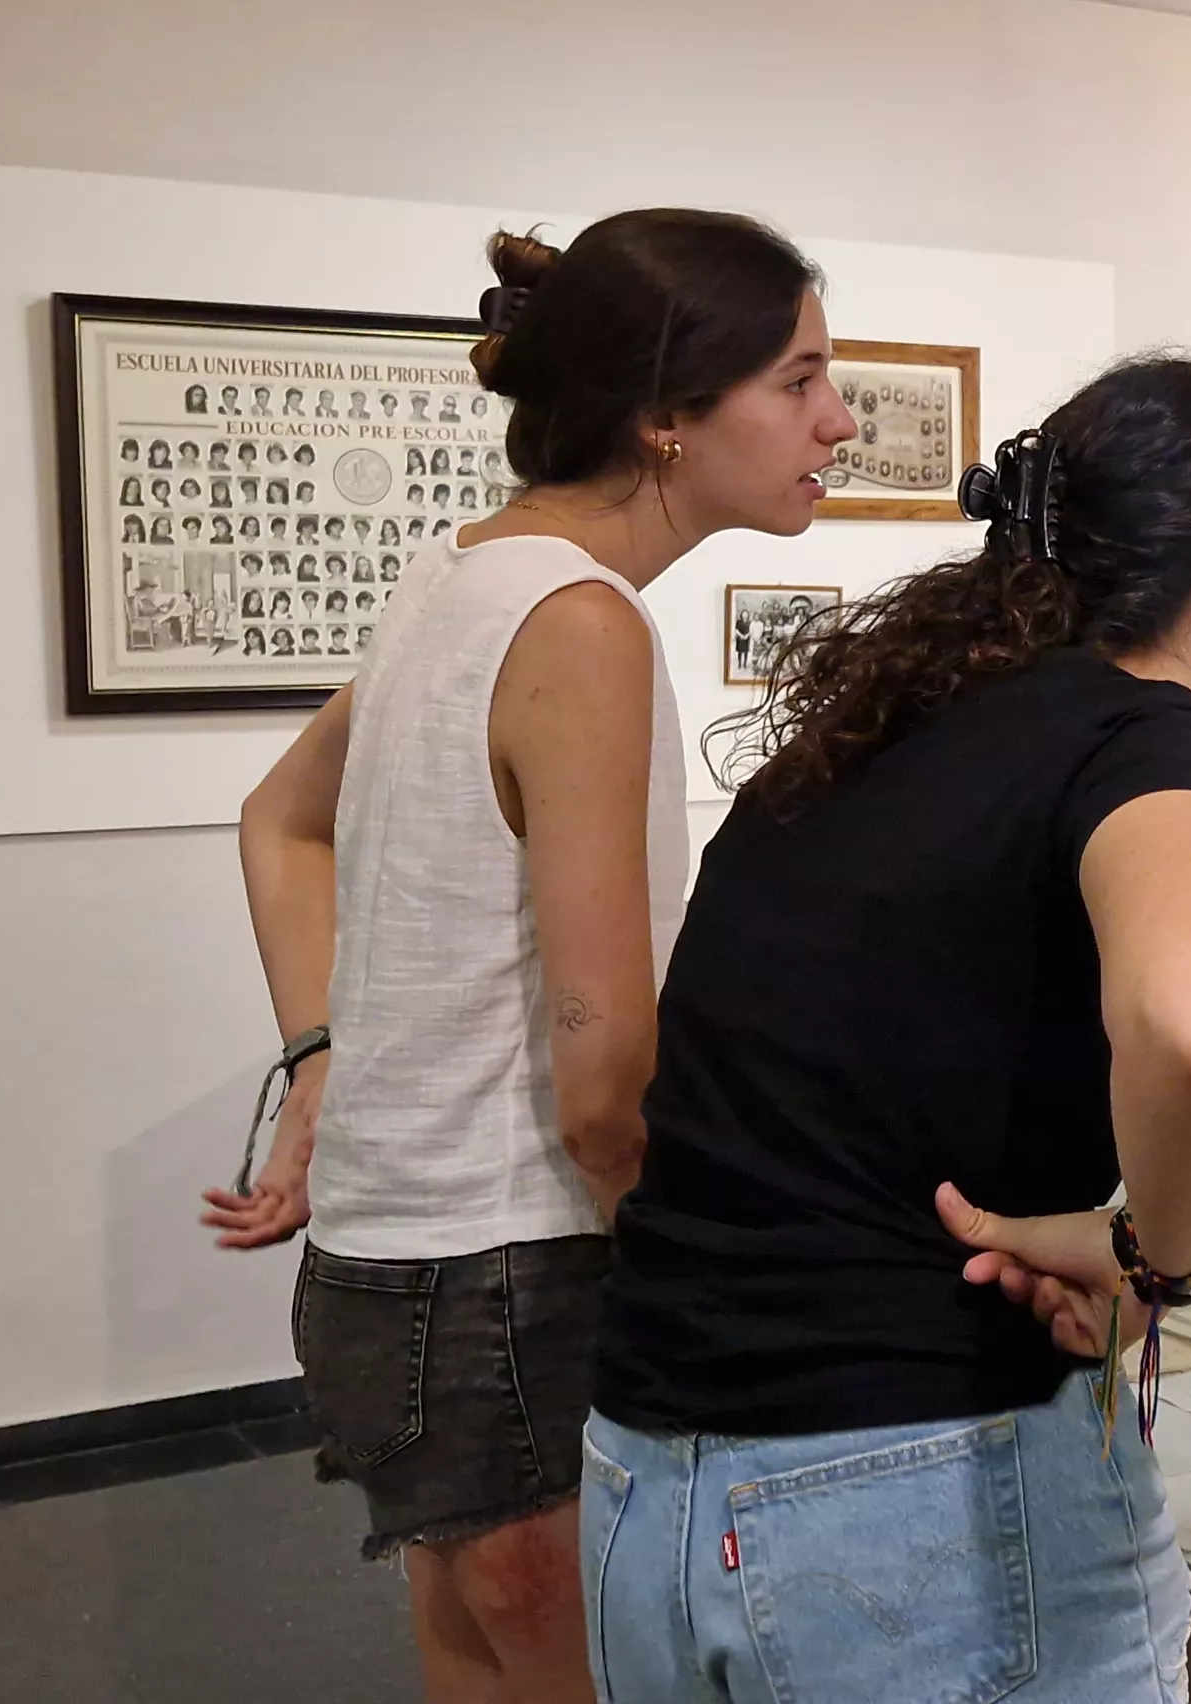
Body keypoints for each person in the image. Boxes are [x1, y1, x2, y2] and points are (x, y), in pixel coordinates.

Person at [586, 356, 1191, 1703]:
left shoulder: (881, 733)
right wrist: (1154, 1259)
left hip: (651, 1474)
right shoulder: (1146, 739)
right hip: (909, 1479)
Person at [209, 213, 852, 1704]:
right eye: (802, 377)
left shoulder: (465, 577)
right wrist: (719, 1283)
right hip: (517, 1277)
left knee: (477, 1660)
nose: (837, 420)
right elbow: (600, 1078)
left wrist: (323, 1063)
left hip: (392, 1267)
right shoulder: (580, 621)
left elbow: (274, 824)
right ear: (668, 418)